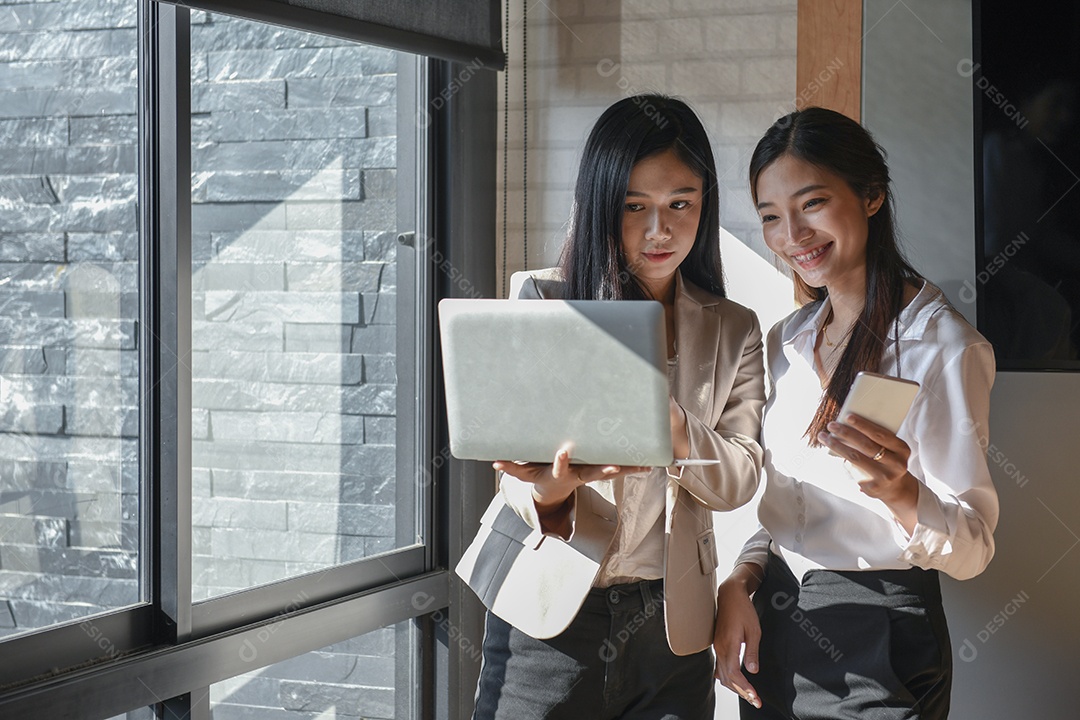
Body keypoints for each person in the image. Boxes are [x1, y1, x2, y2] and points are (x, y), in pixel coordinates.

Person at [458, 94, 767, 720]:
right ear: (601, 205)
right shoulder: (543, 297)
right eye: (635, 207)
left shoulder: (735, 327)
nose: (661, 230)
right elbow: (514, 459)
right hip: (548, 612)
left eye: (681, 203)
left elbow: (739, 477)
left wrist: (672, 424)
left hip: (671, 622)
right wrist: (548, 494)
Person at [712, 107, 999, 719]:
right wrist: (745, 576)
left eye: (812, 203)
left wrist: (901, 491)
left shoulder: (942, 346)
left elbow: (974, 548)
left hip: (880, 638)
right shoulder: (785, 341)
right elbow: (797, 507)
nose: (792, 235)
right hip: (777, 626)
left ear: (871, 195)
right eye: (770, 217)